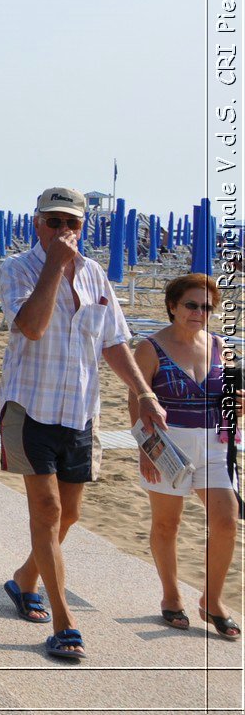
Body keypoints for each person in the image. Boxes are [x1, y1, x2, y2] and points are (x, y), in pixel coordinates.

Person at [0, 186, 166, 662]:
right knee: (47, 512)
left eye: (71, 223)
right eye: (54, 222)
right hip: (28, 406)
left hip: (79, 412)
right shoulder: (17, 269)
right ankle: (65, 620)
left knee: (69, 515)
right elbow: (30, 326)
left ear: (83, 226)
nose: (63, 231)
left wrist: (144, 392)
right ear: (36, 223)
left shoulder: (95, 275)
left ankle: (24, 579)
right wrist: (52, 268)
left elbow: (114, 343)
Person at [132, 273, 239, 638]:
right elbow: (137, 401)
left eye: (207, 307)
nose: (199, 312)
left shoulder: (219, 345)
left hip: (215, 444)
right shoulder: (149, 348)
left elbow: (229, 399)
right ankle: (171, 596)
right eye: (192, 305)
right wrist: (147, 447)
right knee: (167, 523)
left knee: (226, 521)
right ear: (173, 306)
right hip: (168, 444)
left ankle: (212, 600)